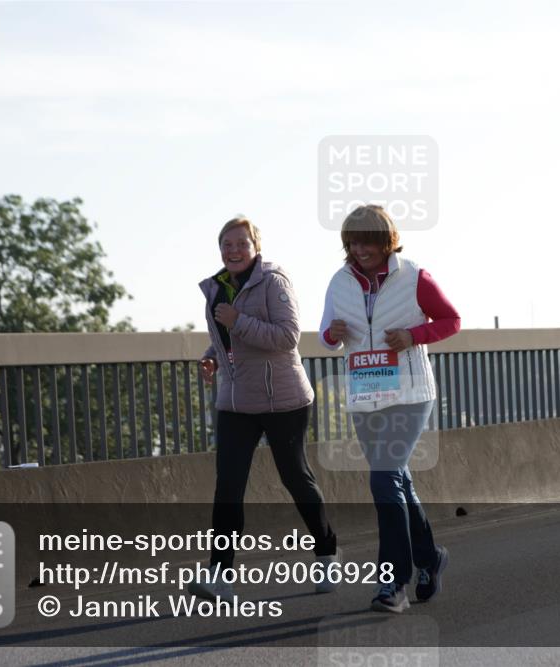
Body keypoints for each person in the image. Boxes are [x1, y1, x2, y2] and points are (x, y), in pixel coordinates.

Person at [319, 205, 461, 613]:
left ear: (386, 240)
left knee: (383, 480)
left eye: (366, 241)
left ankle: (393, 583)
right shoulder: (339, 281)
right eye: (352, 242)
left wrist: (413, 335)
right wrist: (332, 334)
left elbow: (451, 320)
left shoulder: (414, 276)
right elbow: (326, 333)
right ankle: (429, 558)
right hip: (365, 396)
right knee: (397, 480)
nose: (359, 250)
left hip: (410, 395)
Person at [190, 216, 340, 602]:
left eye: (242, 243)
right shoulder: (217, 286)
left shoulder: (274, 282)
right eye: (227, 245)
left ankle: (326, 553)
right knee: (228, 486)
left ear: (256, 247)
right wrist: (212, 356)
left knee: (295, 478)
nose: (234, 251)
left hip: (282, 400)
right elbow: (225, 337)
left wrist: (239, 320)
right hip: (236, 400)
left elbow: (287, 337)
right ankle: (220, 575)